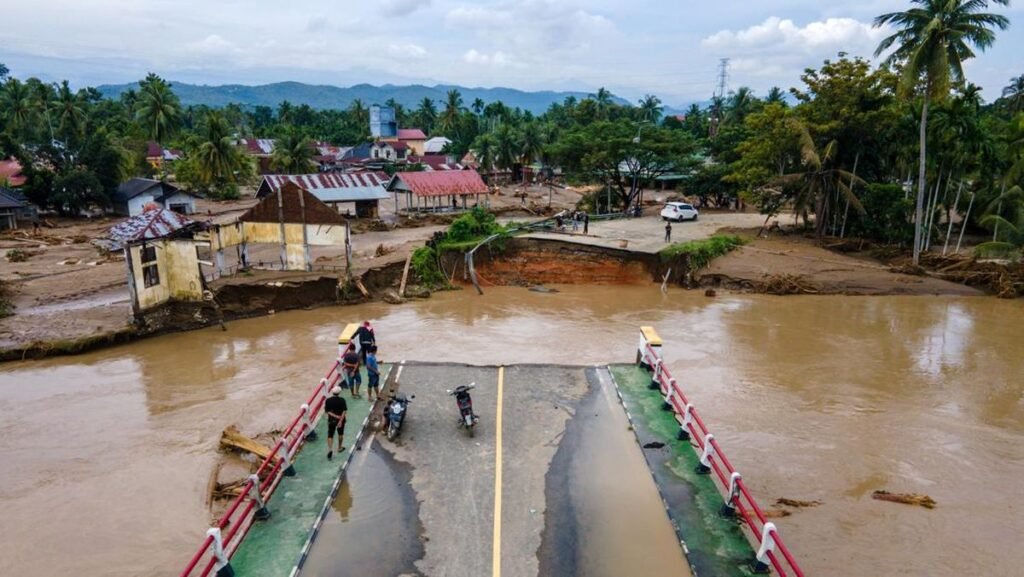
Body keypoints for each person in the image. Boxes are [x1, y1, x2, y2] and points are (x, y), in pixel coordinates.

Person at [325, 386, 348, 459]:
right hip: (341, 420)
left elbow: (328, 411)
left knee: (330, 435)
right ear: (339, 393)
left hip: (331, 420)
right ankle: (339, 447)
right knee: (340, 434)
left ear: (332, 392)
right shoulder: (342, 400)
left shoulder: (328, 400)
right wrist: (340, 420)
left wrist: (335, 416)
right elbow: (344, 411)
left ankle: (330, 449)